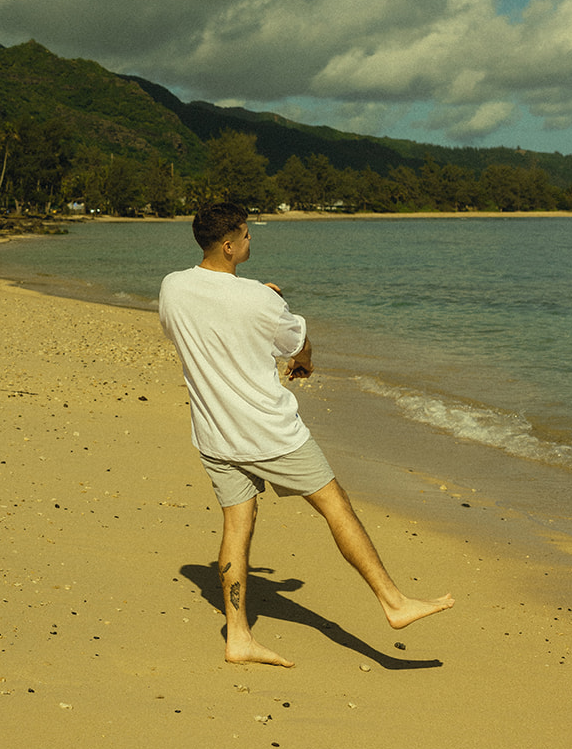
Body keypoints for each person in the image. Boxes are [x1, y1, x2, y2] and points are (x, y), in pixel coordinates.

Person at [158, 203, 453, 666]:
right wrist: (290, 338)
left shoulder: (172, 287)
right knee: (336, 505)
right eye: (247, 235)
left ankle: (238, 636)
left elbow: (201, 319)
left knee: (237, 525)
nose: (252, 241)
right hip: (269, 432)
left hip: (214, 432)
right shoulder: (261, 299)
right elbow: (299, 346)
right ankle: (394, 602)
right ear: (230, 245)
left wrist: (255, 297)